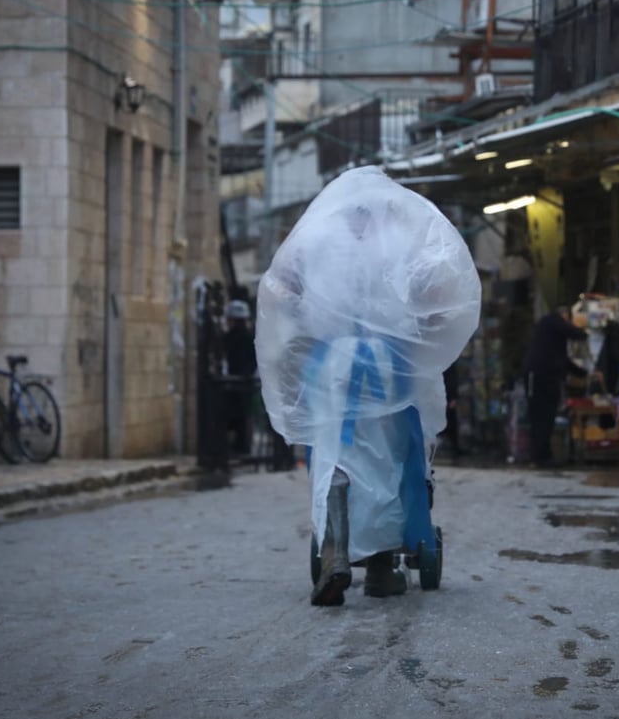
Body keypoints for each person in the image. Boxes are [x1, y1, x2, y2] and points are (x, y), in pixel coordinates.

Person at [255, 166, 481, 607]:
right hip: (390, 370)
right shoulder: (399, 244)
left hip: (331, 369)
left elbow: (283, 289)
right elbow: (437, 296)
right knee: (392, 463)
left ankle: (336, 551)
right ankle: (381, 565)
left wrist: (306, 319)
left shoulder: (316, 241)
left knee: (334, 454)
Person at [523, 305, 587, 467]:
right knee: (540, 416)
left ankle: (543, 454)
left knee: (547, 415)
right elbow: (572, 332)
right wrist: (585, 333)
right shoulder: (551, 321)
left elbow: (564, 360)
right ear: (565, 315)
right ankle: (539, 456)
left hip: (547, 377)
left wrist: (583, 373)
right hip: (539, 376)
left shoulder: (553, 336)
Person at [222, 299, 257, 456]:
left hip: (238, 382)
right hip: (241, 381)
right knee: (240, 416)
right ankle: (240, 446)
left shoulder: (235, 337)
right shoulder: (248, 337)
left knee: (238, 416)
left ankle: (239, 447)